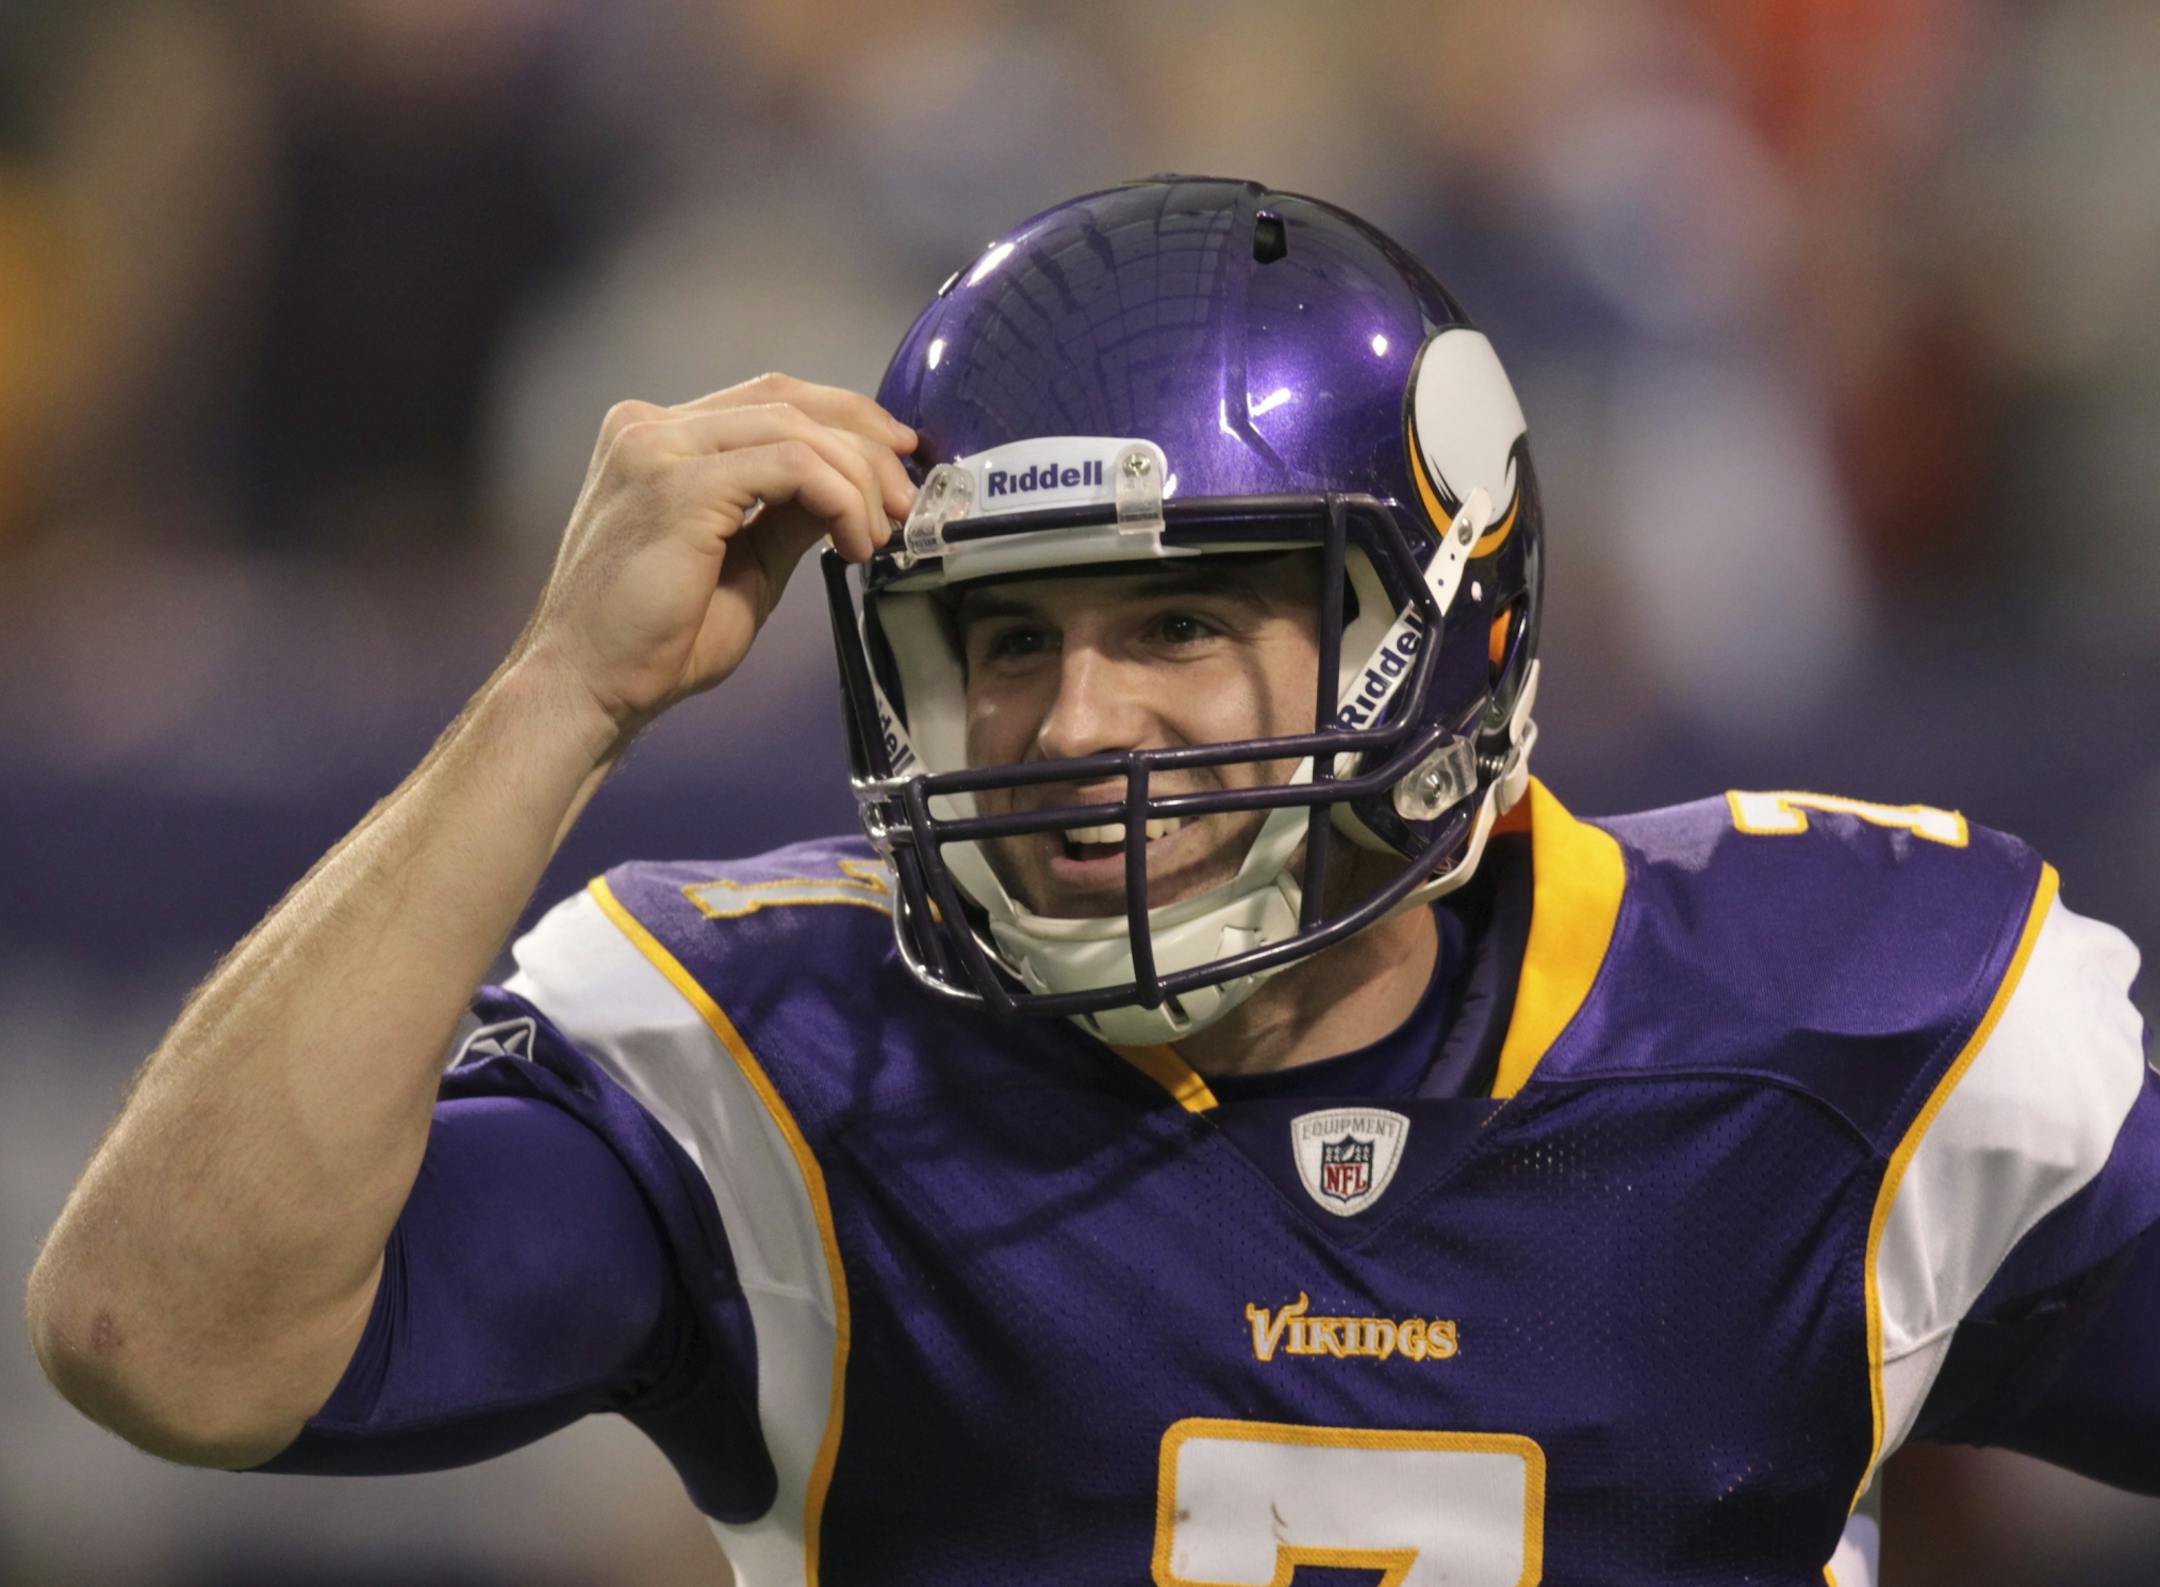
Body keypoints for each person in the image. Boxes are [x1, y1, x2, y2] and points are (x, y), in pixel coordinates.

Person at [25, 178, 2157, 1587]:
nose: (1070, 727)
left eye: (1177, 626)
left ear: (1435, 623)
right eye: (1007, 640)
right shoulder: (792, 1052)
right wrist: (556, 693)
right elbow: (162, 1337)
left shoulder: (1834, 1016)